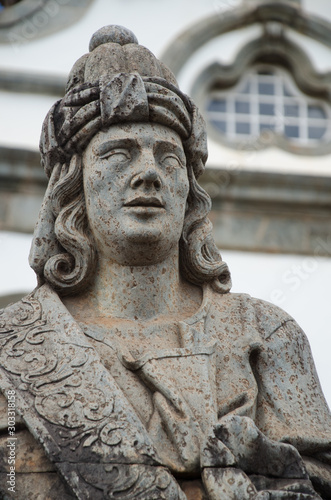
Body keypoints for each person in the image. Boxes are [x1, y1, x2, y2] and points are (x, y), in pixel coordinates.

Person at [0, 25, 330, 500]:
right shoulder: (16, 346)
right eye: (118, 154)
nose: (149, 173)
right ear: (74, 191)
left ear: (189, 195)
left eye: (169, 159)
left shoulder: (266, 333)